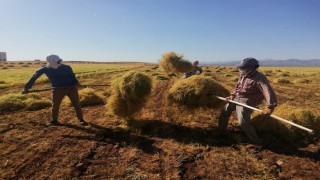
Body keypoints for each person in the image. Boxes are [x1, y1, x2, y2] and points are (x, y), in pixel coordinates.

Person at [218, 57, 277, 144]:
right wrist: (232, 95)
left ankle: (256, 140)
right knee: (225, 110)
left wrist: (270, 106)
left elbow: (267, 91)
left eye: (242, 67)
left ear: (251, 67)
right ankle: (221, 129)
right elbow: (238, 87)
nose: (240, 69)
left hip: (247, 102)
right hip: (237, 98)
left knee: (243, 122)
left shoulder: (259, 77)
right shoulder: (243, 74)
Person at [22, 54, 88, 126]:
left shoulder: (67, 67)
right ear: (51, 62)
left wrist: (77, 84)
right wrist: (26, 87)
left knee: (76, 104)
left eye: (59, 61)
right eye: (57, 61)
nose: (59, 62)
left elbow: (72, 77)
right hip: (57, 89)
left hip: (71, 88)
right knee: (55, 105)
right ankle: (54, 121)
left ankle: (81, 120)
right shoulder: (45, 69)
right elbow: (34, 77)